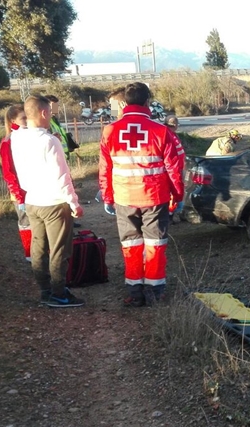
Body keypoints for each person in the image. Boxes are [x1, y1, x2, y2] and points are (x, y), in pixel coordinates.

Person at [99, 82, 184, 307]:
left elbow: (105, 168)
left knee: (130, 245)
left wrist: (107, 196)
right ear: (148, 102)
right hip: (154, 198)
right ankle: (154, 292)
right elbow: (174, 169)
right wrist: (179, 195)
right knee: (155, 244)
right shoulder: (160, 131)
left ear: (125, 103)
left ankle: (134, 292)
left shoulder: (109, 131)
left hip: (124, 198)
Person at [10, 95, 85, 307]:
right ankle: (59, 293)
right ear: (44, 113)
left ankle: (45, 290)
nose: (51, 115)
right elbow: (63, 177)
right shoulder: (50, 141)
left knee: (39, 248)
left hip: (32, 200)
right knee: (59, 250)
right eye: (50, 113)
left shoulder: (17, 138)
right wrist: (74, 204)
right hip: (54, 202)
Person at [0, 104, 31, 262]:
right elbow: (8, 172)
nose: (27, 121)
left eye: (28, 117)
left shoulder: (30, 135)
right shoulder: (8, 142)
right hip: (19, 190)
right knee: (26, 222)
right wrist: (19, 196)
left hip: (33, 188)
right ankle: (29, 253)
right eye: (23, 118)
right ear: (13, 120)